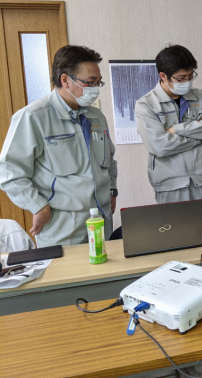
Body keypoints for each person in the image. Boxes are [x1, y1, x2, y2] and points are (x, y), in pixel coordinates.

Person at [0, 45, 117, 247]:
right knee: (67, 269)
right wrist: (37, 206)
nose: (95, 89)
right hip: (62, 225)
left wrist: (112, 192)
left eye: (98, 82)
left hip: (101, 219)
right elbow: (9, 172)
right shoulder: (33, 116)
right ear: (65, 80)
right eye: (90, 82)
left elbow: (109, 161)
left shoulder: (96, 116)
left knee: (104, 266)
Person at [136, 44, 202, 228]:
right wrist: (199, 136)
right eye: (181, 78)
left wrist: (177, 130)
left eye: (190, 76)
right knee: (179, 240)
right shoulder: (146, 105)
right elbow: (159, 146)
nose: (187, 81)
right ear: (163, 76)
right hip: (171, 187)